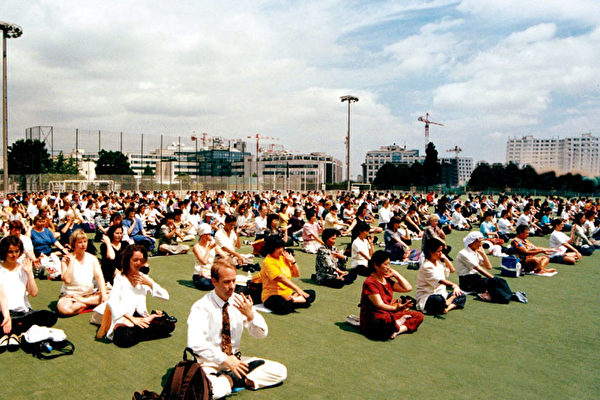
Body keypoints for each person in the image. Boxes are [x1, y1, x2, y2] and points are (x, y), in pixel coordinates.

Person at [187, 259, 287, 398]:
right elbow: (195, 343)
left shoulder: (238, 301)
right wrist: (224, 359)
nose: (232, 286)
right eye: (227, 282)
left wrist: (251, 315)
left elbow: (261, 334)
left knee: (280, 371)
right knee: (209, 392)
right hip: (209, 363)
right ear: (214, 281)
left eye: (234, 281)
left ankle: (235, 379)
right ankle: (230, 379)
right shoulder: (201, 307)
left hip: (235, 361)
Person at [103, 245, 176, 348]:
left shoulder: (143, 278)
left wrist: (150, 283)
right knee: (125, 336)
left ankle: (142, 327)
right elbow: (113, 303)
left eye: (141, 260)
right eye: (135, 260)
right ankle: (140, 330)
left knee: (170, 325)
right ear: (128, 260)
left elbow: (165, 295)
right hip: (125, 318)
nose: (138, 263)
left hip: (142, 318)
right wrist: (132, 319)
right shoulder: (120, 278)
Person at [0, 236, 57, 349]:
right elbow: (2, 296)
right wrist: (7, 316)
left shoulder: (23, 268)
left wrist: (29, 273)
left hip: (22, 312)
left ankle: (11, 331)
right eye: (10, 252)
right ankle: (14, 332)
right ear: (4, 252)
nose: (14, 255)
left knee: (50, 317)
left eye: (16, 251)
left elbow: (34, 293)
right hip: (3, 312)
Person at [359, 250, 423, 340]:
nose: (388, 267)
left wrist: (396, 274)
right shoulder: (370, 282)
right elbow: (379, 305)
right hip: (375, 319)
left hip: (389, 315)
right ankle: (396, 324)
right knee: (385, 322)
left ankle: (397, 330)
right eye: (385, 264)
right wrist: (397, 308)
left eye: (389, 264)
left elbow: (407, 288)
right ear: (376, 265)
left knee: (418, 316)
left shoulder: (386, 279)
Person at [258, 236, 315, 314]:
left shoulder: (283, 258)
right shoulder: (268, 262)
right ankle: (297, 301)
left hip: (289, 294)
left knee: (311, 293)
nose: (281, 250)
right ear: (270, 248)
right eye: (278, 248)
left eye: (282, 247)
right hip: (272, 295)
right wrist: (298, 290)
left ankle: (294, 300)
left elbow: (296, 274)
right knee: (282, 306)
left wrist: (293, 262)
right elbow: (280, 278)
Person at [57, 230, 107, 316]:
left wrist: (103, 293)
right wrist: (72, 262)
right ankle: (89, 304)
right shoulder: (66, 260)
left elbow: (99, 277)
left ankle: (84, 302)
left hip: (89, 295)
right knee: (64, 309)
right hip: (70, 296)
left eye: (85, 242)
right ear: (73, 244)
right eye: (80, 242)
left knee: (112, 296)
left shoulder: (92, 258)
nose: (83, 244)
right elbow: (67, 280)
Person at [455, 232, 513, 303]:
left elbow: (489, 267)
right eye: (479, 242)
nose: (481, 244)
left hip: (475, 278)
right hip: (467, 281)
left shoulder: (475, 252)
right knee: (496, 282)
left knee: (500, 282)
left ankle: (507, 295)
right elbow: (478, 268)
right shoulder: (464, 253)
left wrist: (483, 254)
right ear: (472, 242)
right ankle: (505, 297)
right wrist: (493, 278)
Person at [416, 238, 466, 315]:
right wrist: (454, 285)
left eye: (441, 251)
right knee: (438, 299)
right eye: (438, 251)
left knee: (461, 294)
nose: (440, 253)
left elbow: (452, 270)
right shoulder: (427, 266)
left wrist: (445, 258)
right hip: (428, 296)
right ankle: (447, 303)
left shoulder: (439, 262)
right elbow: (440, 281)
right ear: (430, 252)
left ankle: (447, 307)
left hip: (443, 294)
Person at [192, 223, 228, 290]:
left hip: (211, 273)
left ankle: (215, 281)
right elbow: (204, 262)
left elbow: (225, 256)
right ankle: (215, 283)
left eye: (210, 234)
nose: (209, 236)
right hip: (200, 274)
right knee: (205, 284)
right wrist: (208, 249)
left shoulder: (212, 244)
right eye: (207, 234)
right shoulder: (196, 247)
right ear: (202, 235)